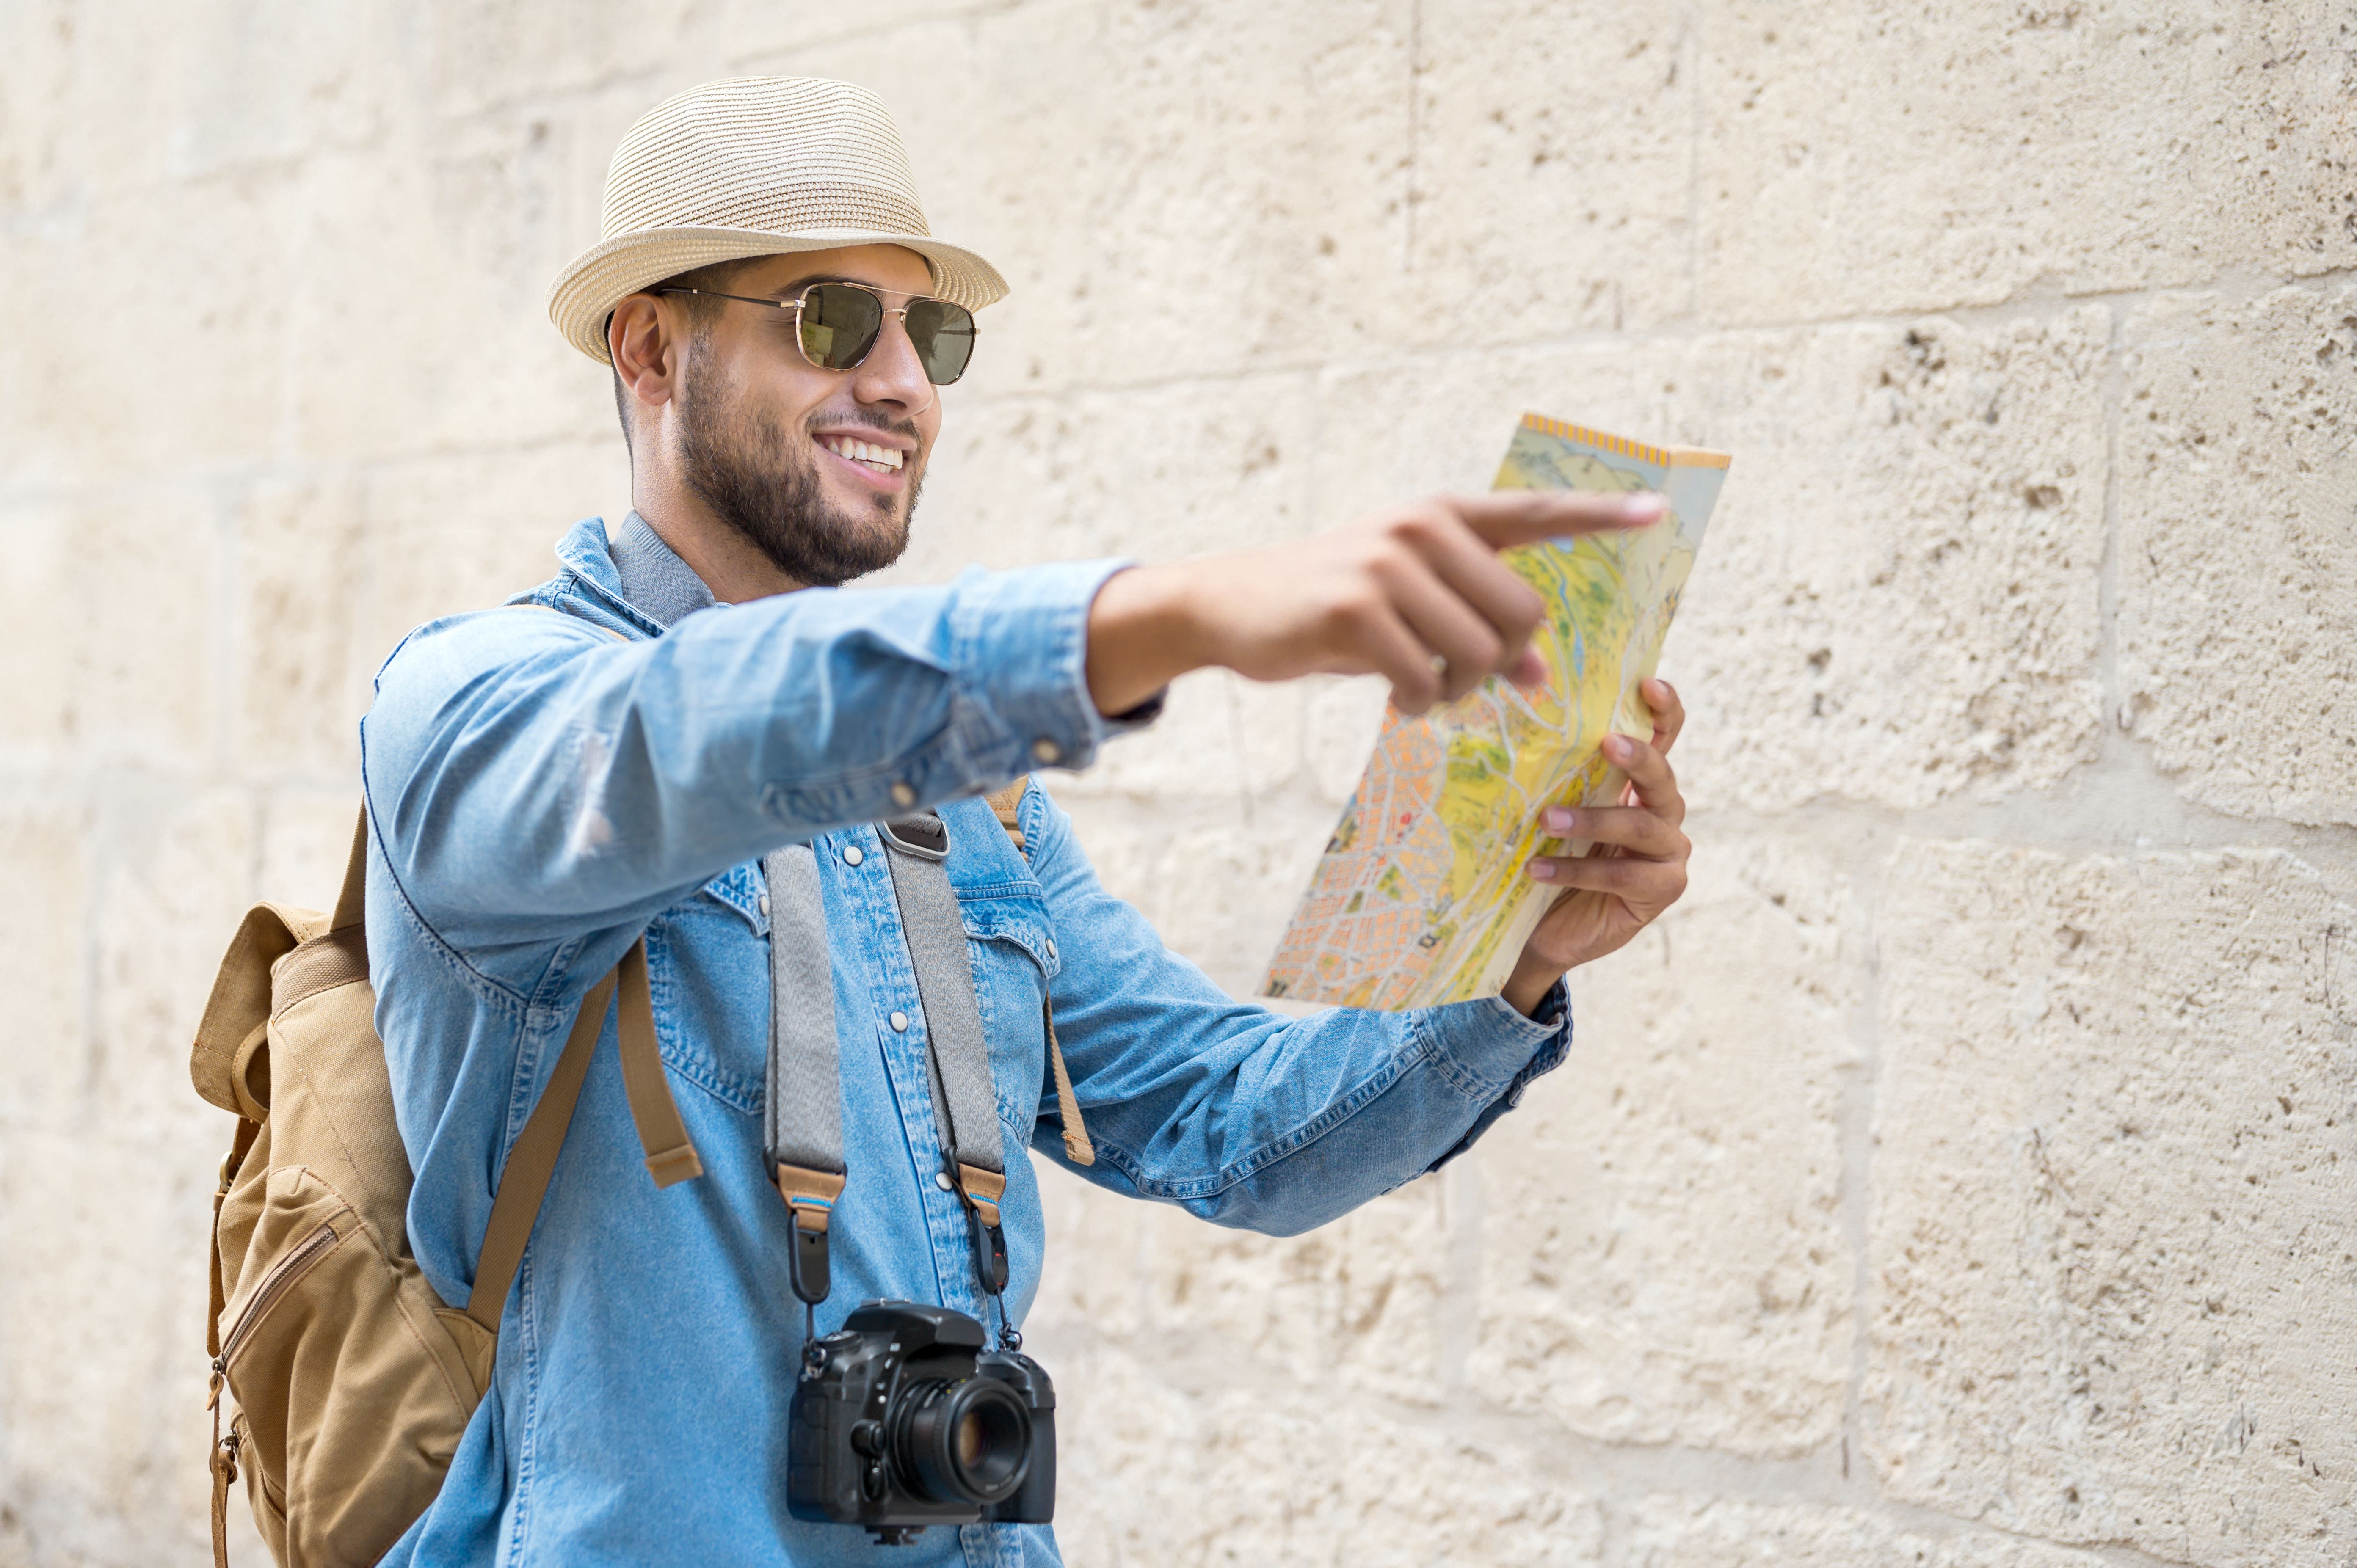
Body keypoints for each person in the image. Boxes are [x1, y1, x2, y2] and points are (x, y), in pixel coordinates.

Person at [361, 76, 1692, 1566]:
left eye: (929, 336)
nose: (902, 383)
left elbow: (1224, 1121)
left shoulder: (968, 798)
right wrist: (1172, 615)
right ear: (653, 344)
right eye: (825, 322)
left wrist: (1511, 958)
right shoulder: (474, 712)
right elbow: (696, 731)